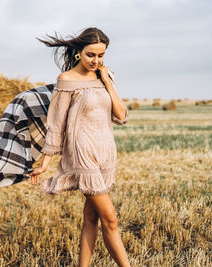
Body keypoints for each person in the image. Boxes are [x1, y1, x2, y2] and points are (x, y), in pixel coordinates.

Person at [30, 27, 131, 267]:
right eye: (90, 55)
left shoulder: (104, 77)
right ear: (78, 52)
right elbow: (56, 123)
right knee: (111, 220)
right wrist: (45, 162)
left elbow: (121, 116)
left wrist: (106, 81)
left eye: (101, 55)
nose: (96, 60)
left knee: (91, 218)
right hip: (81, 153)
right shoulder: (66, 80)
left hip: (105, 152)